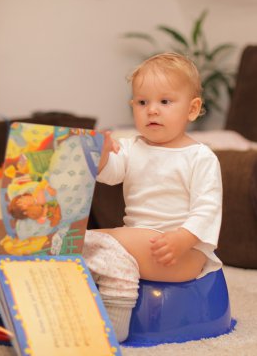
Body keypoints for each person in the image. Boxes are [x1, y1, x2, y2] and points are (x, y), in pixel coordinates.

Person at [82, 52, 223, 342]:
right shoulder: (132, 147)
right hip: (141, 242)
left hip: (182, 253)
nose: (152, 110)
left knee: (82, 241)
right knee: (104, 244)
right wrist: (103, 154)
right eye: (142, 102)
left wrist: (183, 238)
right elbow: (109, 174)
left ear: (192, 109)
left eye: (165, 102)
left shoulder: (200, 157)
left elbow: (207, 208)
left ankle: (114, 324)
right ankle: (108, 303)